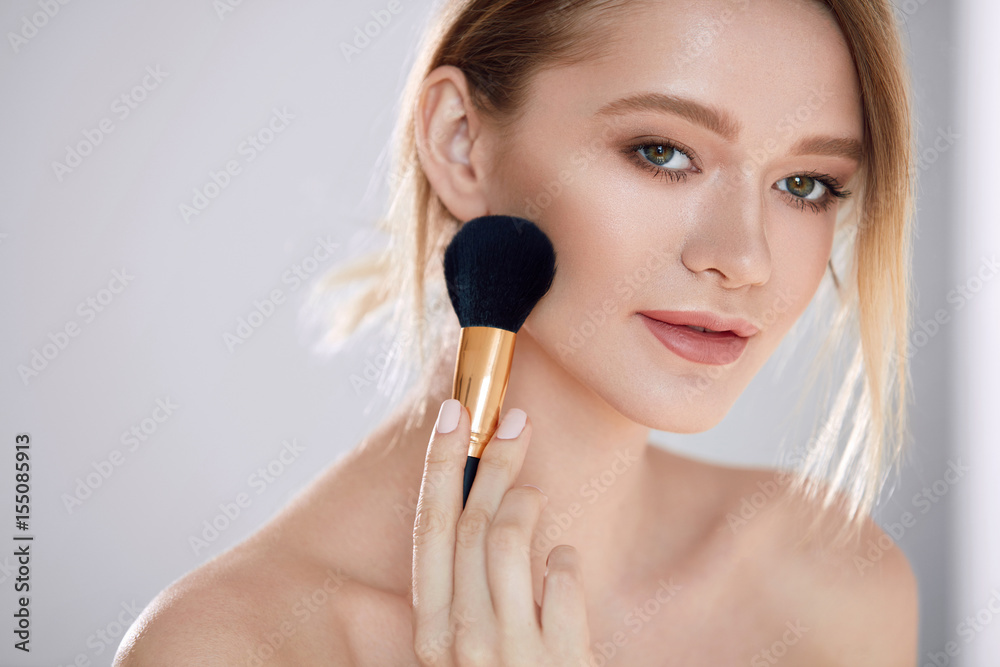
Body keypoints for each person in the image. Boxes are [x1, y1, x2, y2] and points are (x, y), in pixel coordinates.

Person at [115, 0, 919, 664]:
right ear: (462, 143)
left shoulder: (832, 585)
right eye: (662, 151)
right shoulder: (231, 648)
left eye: (805, 184)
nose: (743, 257)